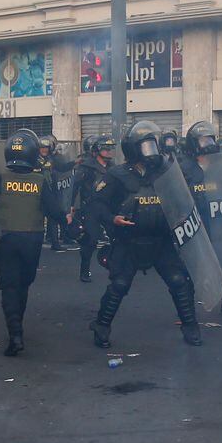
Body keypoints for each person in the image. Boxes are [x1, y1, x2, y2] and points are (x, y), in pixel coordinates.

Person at [88, 120, 203, 349]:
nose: (152, 151)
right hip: (129, 241)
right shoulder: (117, 175)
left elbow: (186, 197)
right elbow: (97, 204)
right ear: (133, 148)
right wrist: (112, 218)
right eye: (147, 145)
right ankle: (101, 326)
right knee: (119, 284)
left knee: (179, 281)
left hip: (161, 241)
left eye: (154, 145)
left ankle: (191, 327)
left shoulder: (168, 172)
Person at [0, 130, 65, 356]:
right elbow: (55, 211)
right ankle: (18, 324)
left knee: (9, 286)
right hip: (32, 240)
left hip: (6, 239)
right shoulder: (40, 181)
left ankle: (15, 333)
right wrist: (72, 225)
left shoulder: (0, 179)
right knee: (23, 284)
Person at [177, 119, 222, 317]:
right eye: (203, 141)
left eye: (210, 139)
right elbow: (177, 194)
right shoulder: (184, 167)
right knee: (191, 266)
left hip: (220, 221)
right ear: (194, 144)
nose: (209, 144)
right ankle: (188, 309)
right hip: (196, 222)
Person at [68, 135, 115, 283]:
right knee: (91, 241)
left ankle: (116, 268)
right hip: (91, 208)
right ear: (97, 150)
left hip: (108, 208)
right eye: (105, 149)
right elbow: (75, 187)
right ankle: (84, 270)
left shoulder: (113, 167)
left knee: (117, 238)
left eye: (110, 148)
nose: (108, 151)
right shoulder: (86, 167)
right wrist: (70, 207)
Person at [41, 135, 75, 251]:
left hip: (51, 191)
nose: (44, 150)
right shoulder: (35, 159)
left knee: (53, 217)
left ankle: (55, 242)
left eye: (46, 147)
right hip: (38, 191)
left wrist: (75, 162)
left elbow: (62, 167)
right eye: (42, 148)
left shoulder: (52, 159)